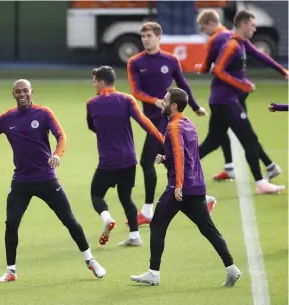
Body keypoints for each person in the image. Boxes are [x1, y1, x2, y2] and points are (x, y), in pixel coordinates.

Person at [0, 79, 106, 282]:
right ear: (13, 94)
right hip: (21, 182)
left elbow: (61, 136)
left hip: (46, 179)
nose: (22, 94)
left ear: (31, 92)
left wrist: (57, 155)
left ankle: (90, 260)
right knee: (11, 224)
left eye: (25, 90)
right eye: (17, 91)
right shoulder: (6, 118)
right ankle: (11, 270)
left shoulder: (43, 113)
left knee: (69, 220)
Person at [130, 88, 241, 287]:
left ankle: (153, 273)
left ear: (173, 105)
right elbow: (188, 155)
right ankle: (231, 267)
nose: (162, 103)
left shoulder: (172, 127)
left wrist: (178, 185)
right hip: (196, 186)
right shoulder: (188, 124)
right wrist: (165, 159)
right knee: (208, 229)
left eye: (165, 100)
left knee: (157, 226)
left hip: (179, 188)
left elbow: (181, 156)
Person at [127, 21, 214, 225]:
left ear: (158, 37)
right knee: (171, 161)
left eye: (149, 36)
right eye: (143, 36)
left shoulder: (170, 60)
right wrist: (155, 101)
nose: (146, 40)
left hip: (167, 120)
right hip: (151, 117)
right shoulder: (135, 62)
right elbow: (136, 91)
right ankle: (204, 200)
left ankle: (148, 211)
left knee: (148, 160)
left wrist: (194, 106)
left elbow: (183, 85)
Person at [198, 10, 286, 194]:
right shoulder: (231, 45)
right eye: (253, 25)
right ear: (243, 24)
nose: (255, 29)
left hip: (223, 100)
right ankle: (261, 182)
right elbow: (218, 71)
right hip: (225, 101)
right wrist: (243, 84)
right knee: (249, 139)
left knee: (213, 141)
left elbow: (260, 55)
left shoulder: (240, 42)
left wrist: (282, 70)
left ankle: (179, 167)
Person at [86, 66, 165, 247]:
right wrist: (162, 139)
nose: (94, 85)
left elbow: (92, 126)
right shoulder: (127, 100)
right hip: (129, 160)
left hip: (107, 162)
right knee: (126, 197)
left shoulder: (92, 103)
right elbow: (145, 122)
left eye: (94, 82)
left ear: (101, 82)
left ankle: (106, 218)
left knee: (96, 194)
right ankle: (135, 235)